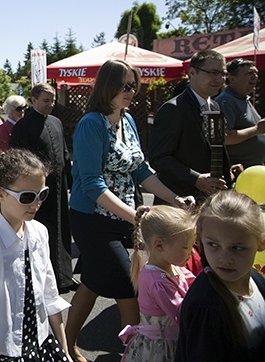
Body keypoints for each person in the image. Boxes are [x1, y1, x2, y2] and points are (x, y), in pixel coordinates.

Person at [66, 59, 195, 362]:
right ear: (107, 86)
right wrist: (136, 215)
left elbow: (141, 170)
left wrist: (174, 199)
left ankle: (65, 345)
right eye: (125, 85)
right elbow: (91, 185)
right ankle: (138, 354)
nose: (131, 91)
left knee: (92, 282)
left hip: (124, 217)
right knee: (128, 285)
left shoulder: (128, 120)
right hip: (92, 219)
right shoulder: (91, 124)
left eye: (133, 85)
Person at [0, 149, 71, 361]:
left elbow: (49, 297)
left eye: (42, 194)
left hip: (42, 343)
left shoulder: (39, 233)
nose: (36, 204)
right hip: (5, 351)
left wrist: (64, 351)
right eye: (27, 197)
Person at [175, 190, 265, 361]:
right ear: (200, 239)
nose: (224, 259)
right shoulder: (206, 307)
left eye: (237, 248)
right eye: (213, 244)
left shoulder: (257, 280)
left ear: (261, 244)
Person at [10, 83, 77, 293]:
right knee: (40, 233)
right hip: (37, 191)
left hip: (59, 187)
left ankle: (64, 276)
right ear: (33, 100)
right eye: (46, 101)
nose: (50, 105)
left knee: (62, 230)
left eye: (53, 101)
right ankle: (44, 279)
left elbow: (65, 154)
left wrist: (71, 182)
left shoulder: (56, 122)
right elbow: (19, 160)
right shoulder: (23, 126)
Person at [149, 49, 232, 204]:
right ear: (192, 73)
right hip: (179, 203)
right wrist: (196, 179)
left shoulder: (214, 106)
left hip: (209, 203)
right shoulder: (174, 109)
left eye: (223, 73)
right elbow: (158, 158)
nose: (219, 79)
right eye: (213, 72)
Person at [119, 205, 196, 362]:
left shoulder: (169, 266)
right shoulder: (157, 280)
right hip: (160, 349)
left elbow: (190, 280)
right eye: (186, 247)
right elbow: (183, 314)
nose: (191, 253)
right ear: (159, 245)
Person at [215, 58, 265, 168]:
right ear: (232, 79)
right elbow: (224, 137)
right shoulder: (226, 101)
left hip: (253, 170)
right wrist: (256, 130)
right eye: (249, 73)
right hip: (236, 171)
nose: (255, 76)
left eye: (256, 73)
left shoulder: (244, 99)